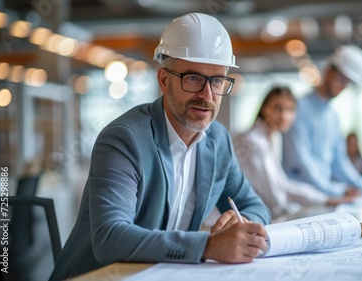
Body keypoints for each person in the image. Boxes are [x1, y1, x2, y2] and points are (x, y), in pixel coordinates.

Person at [49, 13, 270, 280]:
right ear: (164, 80)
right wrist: (209, 246)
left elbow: (256, 206)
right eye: (192, 78)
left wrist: (240, 223)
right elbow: (110, 237)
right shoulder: (123, 139)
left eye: (217, 80)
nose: (207, 95)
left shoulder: (218, 140)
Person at [234, 87, 358, 220]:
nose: (283, 115)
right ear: (264, 109)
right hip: (240, 218)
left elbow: (283, 184)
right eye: (277, 108)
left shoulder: (272, 139)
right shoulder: (254, 142)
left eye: (290, 110)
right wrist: (301, 211)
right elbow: (275, 197)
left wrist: (326, 199)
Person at [282, 45, 362, 197]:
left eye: (347, 83)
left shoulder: (333, 117)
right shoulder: (298, 108)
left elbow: (339, 162)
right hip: (299, 198)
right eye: (341, 79)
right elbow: (302, 163)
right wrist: (336, 190)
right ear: (328, 70)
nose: (342, 86)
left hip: (323, 195)